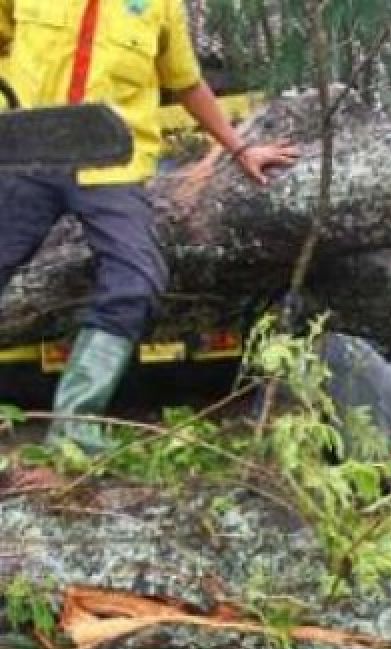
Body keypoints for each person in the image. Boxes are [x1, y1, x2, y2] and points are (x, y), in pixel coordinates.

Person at [0, 0, 297, 453]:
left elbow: (186, 83)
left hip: (109, 164)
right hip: (28, 157)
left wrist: (240, 149)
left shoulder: (159, 5)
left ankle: (74, 427)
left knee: (136, 279)